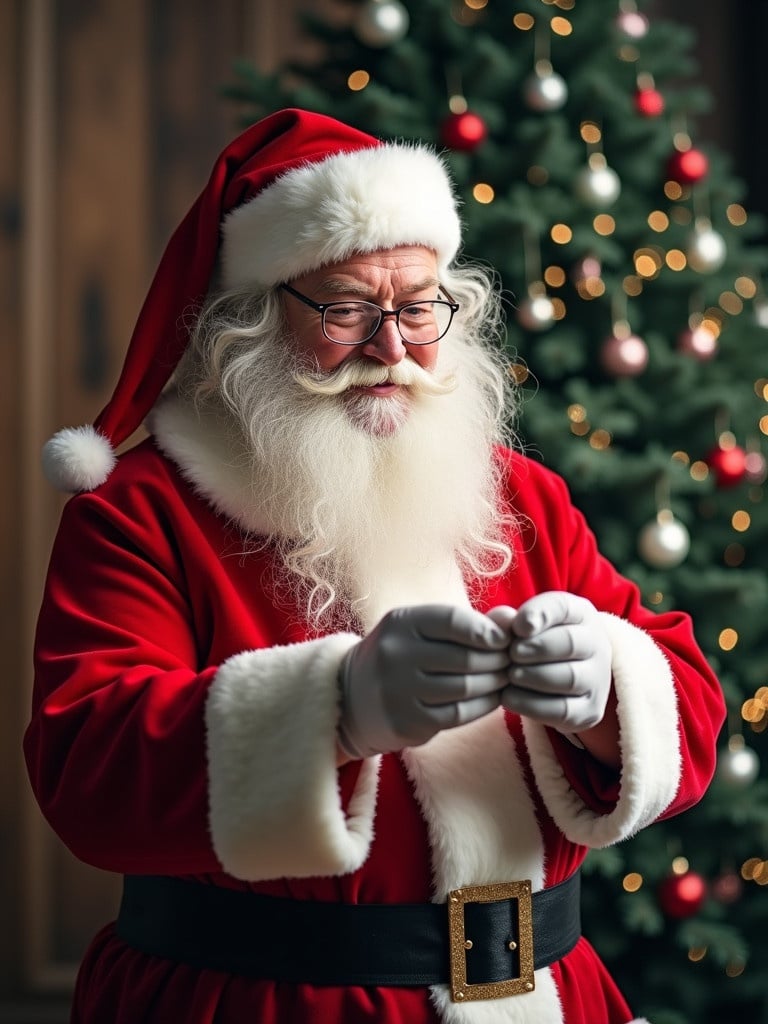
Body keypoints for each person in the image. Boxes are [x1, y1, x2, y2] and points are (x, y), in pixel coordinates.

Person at [25, 108, 724, 1024]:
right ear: (251, 319)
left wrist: (607, 694)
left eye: (419, 306)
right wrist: (337, 708)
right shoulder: (142, 512)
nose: (393, 348)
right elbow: (89, 777)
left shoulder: (521, 493)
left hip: (550, 995)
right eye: (348, 307)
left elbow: (693, 712)